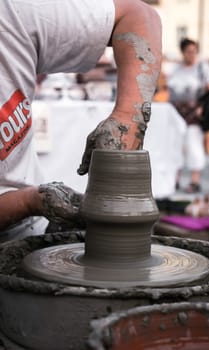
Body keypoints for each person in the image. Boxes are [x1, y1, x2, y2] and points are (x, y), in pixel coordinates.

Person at [0, 0, 162, 241]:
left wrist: (129, 117)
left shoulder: (13, 13)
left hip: (29, 226)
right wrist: (28, 201)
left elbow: (138, 16)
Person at [167, 38, 209, 193]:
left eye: (194, 51)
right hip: (176, 112)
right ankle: (174, 179)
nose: (192, 55)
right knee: (174, 146)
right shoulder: (176, 69)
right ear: (183, 52)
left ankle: (194, 181)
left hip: (194, 113)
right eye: (189, 51)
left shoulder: (202, 68)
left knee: (193, 145)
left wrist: (203, 105)